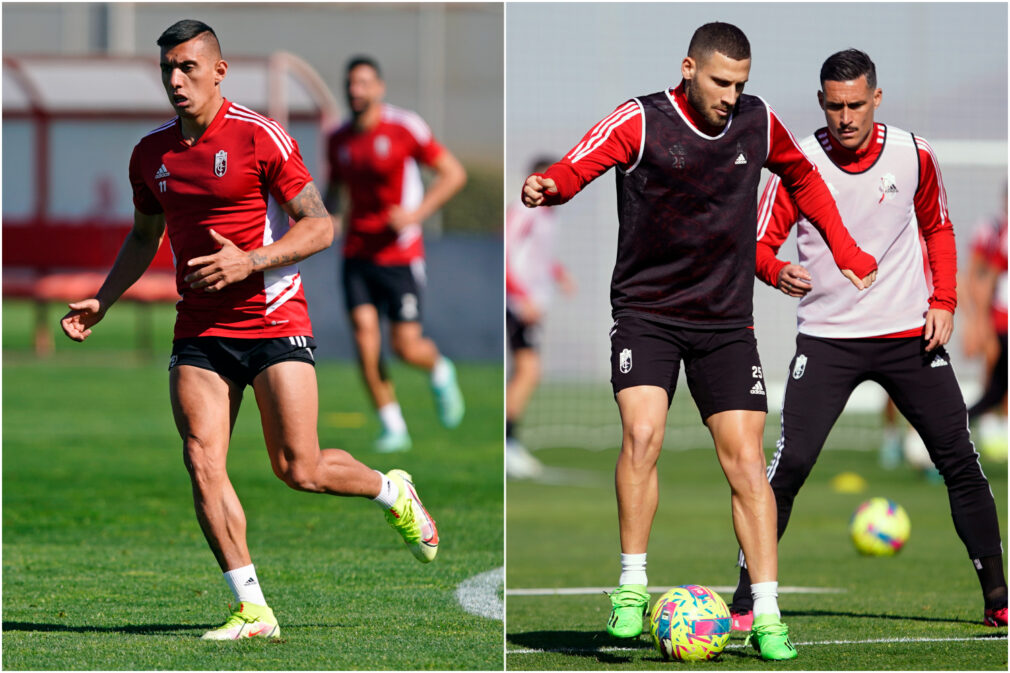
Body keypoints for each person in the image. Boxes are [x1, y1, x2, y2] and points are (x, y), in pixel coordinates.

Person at [60, 20, 439, 641]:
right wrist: (104, 300)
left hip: (272, 319)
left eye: (187, 67)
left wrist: (250, 260)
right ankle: (253, 608)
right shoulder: (150, 155)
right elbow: (142, 235)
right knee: (201, 459)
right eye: (167, 70)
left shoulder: (259, 137)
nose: (175, 80)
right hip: (199, 331)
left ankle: (389, 490)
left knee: (300, 467)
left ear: (219, 70)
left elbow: (320, 226)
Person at [521, 22, 878, 660]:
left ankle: (766, 612)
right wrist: (556, 183)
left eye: (741, 84)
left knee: (745, 461)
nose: (730, 95)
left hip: (724, 323)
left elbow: (804, 180)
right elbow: (585, 160)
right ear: (688, 67)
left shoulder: (757, 122)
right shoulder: (641, 120)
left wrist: (844, 248)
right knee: (643, 435)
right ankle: (632, 588)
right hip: (647, 314)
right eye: (720, 81)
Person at [728, 48, 1008, 629]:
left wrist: (945, 302)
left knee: (960, 458)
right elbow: (756, 246)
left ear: (876, 99)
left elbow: (938, 228)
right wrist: (776, 271)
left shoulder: (913, 155)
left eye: (856, 104)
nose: (846, 117)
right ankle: (745, 600)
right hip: (827, 341)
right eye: (835, 106)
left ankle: (998, 597)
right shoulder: (797, 162)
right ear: (821, 103)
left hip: (911, 336)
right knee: (789, 467)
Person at [326, 56, 467, 453]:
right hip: (357, 254)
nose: (356, 91)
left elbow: (453, 173)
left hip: (400, 255)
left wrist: (415, 216)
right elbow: (335, 191)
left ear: (379, 88)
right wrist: (329, 218)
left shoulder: (405, 126)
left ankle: (439, 368)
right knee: (365, 343)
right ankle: (393, 426)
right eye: (351, 84)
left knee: (405, 347)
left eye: (364, 83)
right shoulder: (338, 139)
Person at [506, 156, 576, 480]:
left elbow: (537, 256)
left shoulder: (550, 214)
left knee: (525, 370)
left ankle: (508, 442)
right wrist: (520, 297)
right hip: (518, 303)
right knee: (529, 370)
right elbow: (506, 253)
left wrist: (559, 273)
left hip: (530, 302)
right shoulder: (525, 211)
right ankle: (507, 443)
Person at [962, 189, 1008, 457]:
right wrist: (979, 324)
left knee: (995, 391)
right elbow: (985, 277)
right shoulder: (996, 233)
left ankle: (954, 431)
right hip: (1003, 323)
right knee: (993, 389)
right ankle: (953, 433)